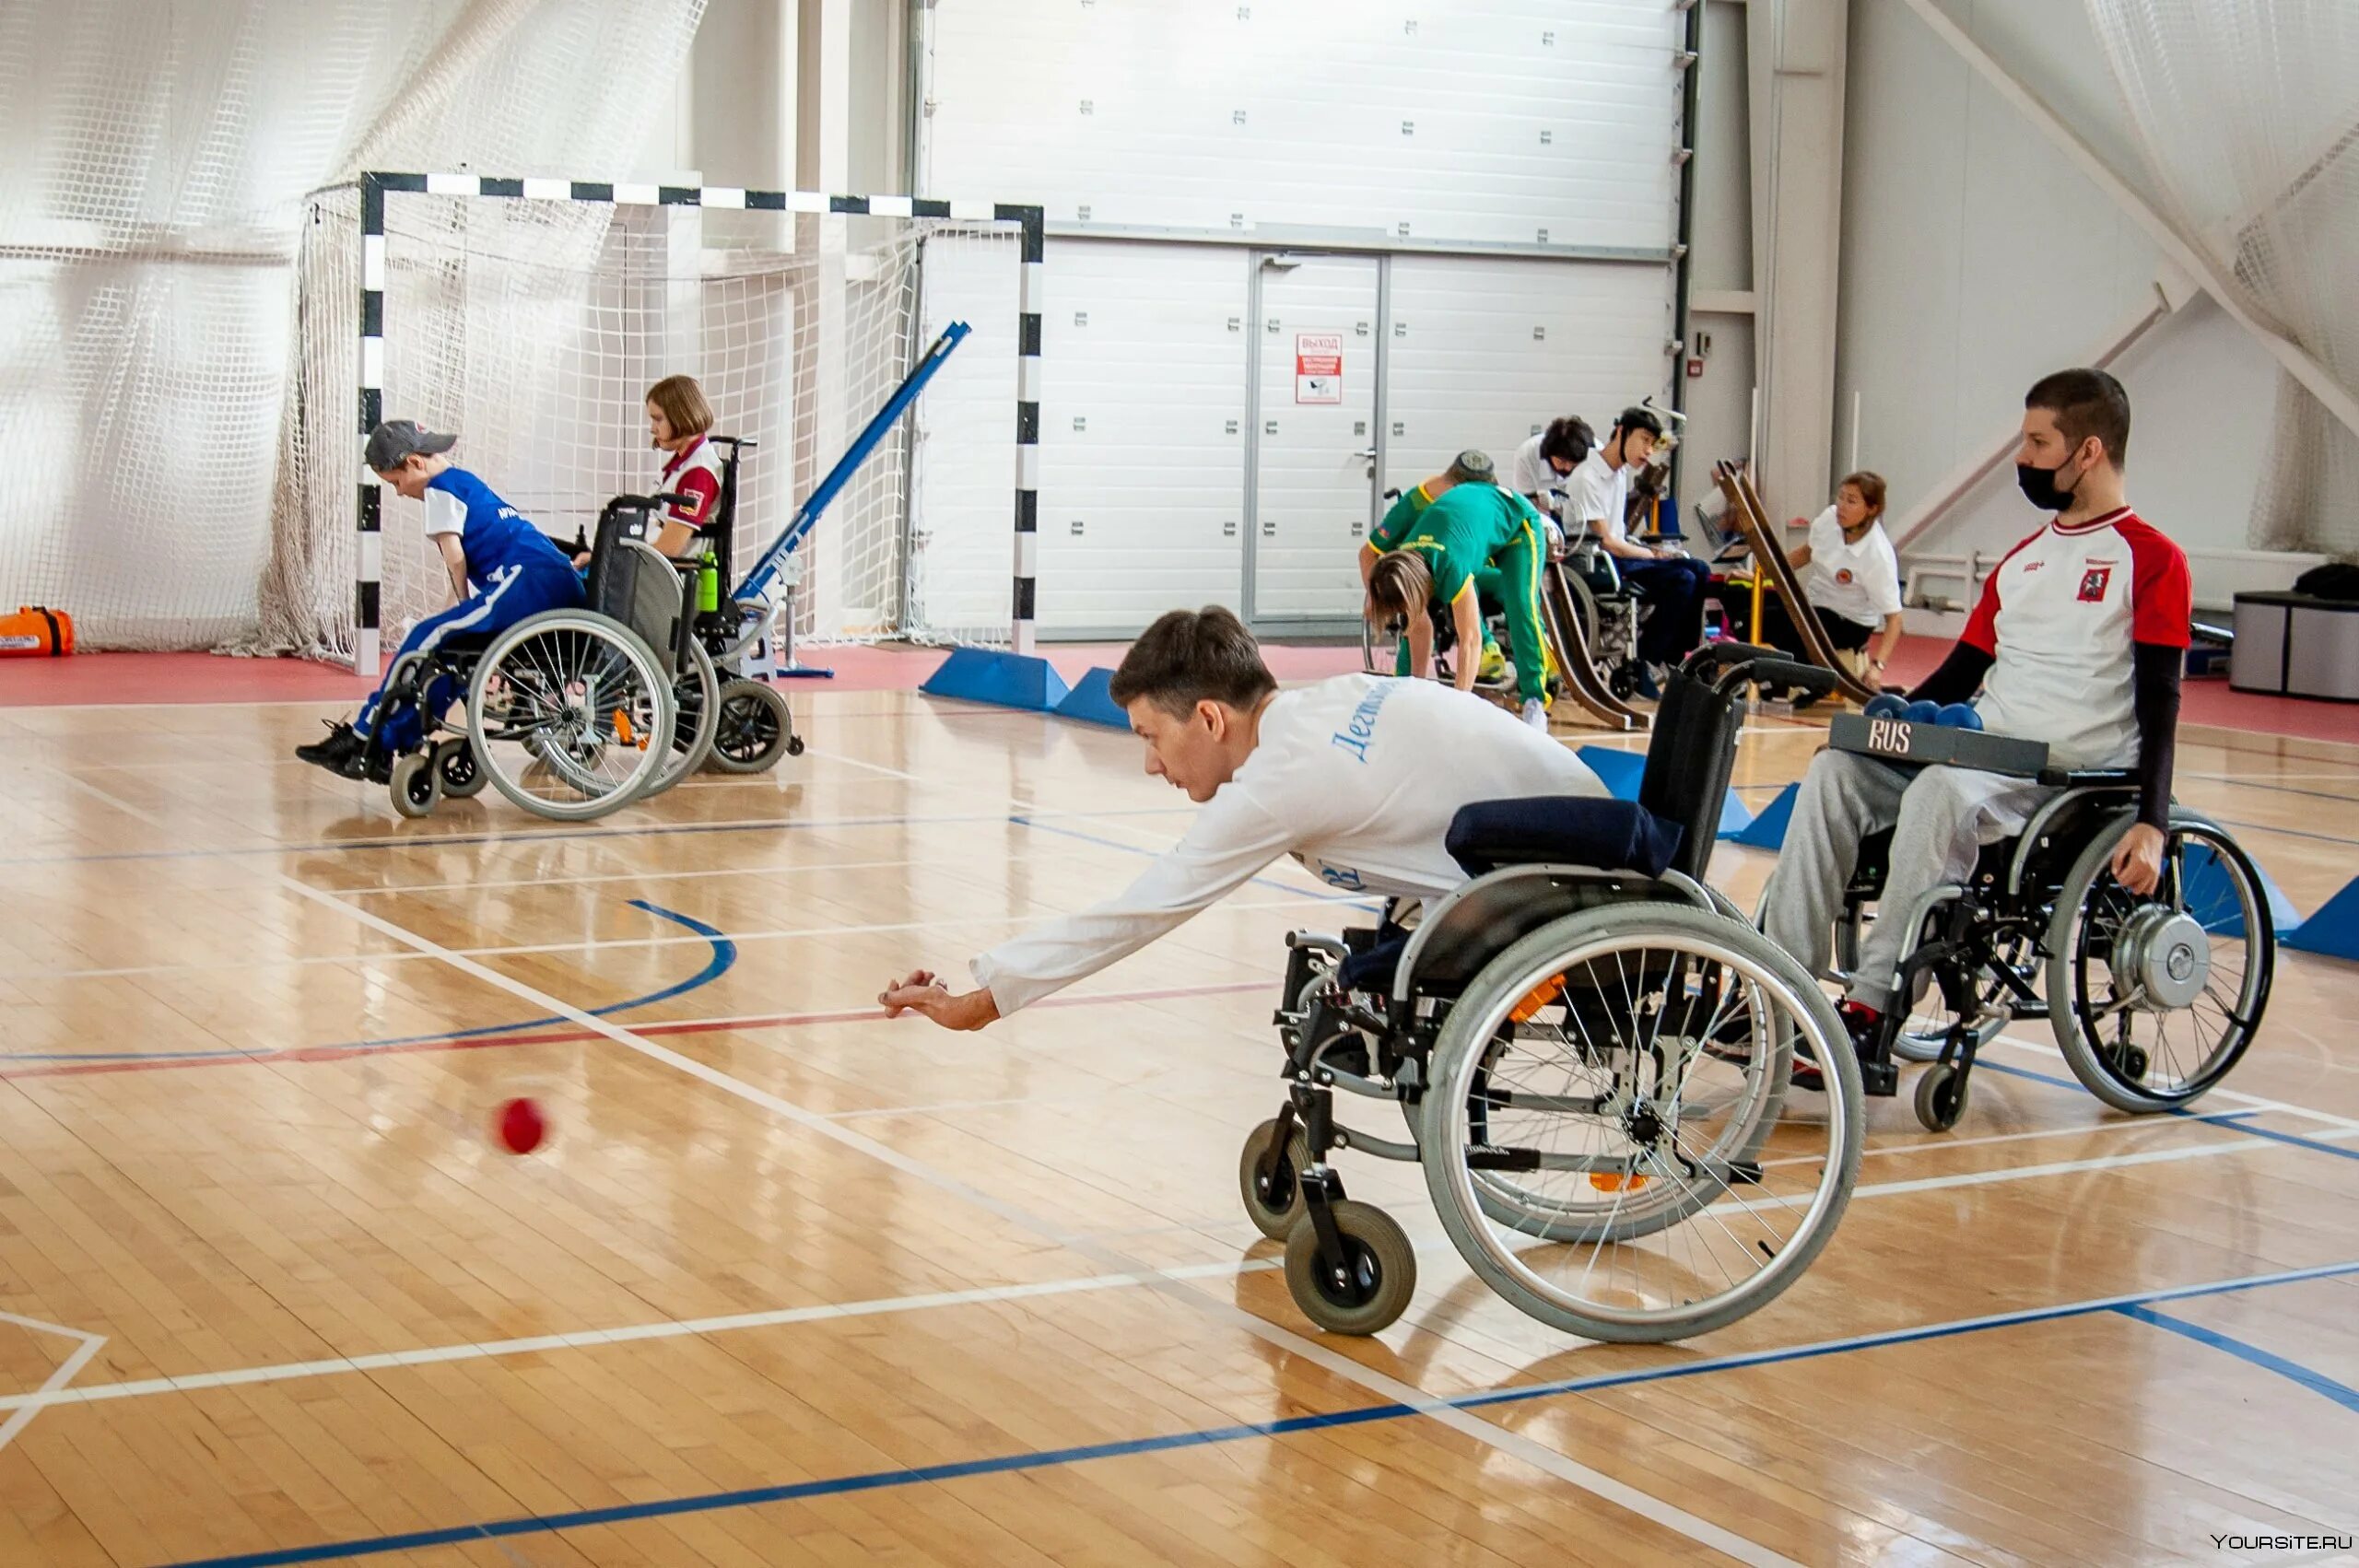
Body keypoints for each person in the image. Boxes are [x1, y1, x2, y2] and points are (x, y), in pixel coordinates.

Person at [1759, 368, 2189, 1086]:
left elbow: (2162, 702)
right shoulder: (2021, 562)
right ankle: (1781, 991)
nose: (2021, 457)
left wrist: (2153, 820)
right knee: (1836, 771)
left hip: (2065, 772)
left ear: (2086, 452)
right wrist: (1889, 722)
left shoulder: (2152, 560)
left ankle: (1870, 1013)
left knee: (1941, 793)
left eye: (2036, 442)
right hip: (1983, 748)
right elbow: (1960, 675)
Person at [877, 607, 1606, 1030]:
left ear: (1207, 717)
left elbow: (1146, 908)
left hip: (1567, 882)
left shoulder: (1282, 777)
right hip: (1575, 840)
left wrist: (982, 1000)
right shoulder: (1327, 701)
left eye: (1149, 738)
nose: (1151, 765)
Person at [296, 421, 587, 780]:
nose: (400, 493)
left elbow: (454, 558)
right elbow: (459, 565)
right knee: (448, 649)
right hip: (555, 581)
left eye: (396, 483)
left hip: (530, 581)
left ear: (416, 463)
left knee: (425, 636)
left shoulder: (440, 490)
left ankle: (363, 736)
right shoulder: (464, 482)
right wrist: (456, 610)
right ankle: (389, 738)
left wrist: (462, 605)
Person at [1361, 451, 1555, 730]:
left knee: (1521, 606)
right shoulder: (1403, 561)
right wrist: (1410, 697)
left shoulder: (1450, 566)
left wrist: (1458, 709)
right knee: (1415, 625)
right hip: (1471, 533)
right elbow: (1418, 627)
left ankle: (1534, 700)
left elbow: (1471, 639)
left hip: (1516, 524)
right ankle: (1402, 696)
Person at [1564, 405, 1712, 697]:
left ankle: (1679, 655)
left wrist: (1651, 550)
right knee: (1683, 579)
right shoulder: (1587, 477)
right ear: (1621, 432)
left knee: (1700, 569)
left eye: (1651, 444)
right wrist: (1653, 555)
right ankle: (1647, 657)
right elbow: (1607, 541)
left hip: (1620, 556)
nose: (1648, 451)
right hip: (1600, 564)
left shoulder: (1618, 476)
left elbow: (1620, 534)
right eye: (1644, 440)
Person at [1745, 471, 1905, 704]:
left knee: (1789, 629)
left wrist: (1877, 667)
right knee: (1746, 613)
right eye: (1840, 497)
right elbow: (1807, 552)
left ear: (1871, 509)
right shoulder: (1830, 519)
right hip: (1813, 604)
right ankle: (1787, 679)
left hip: (1849, 620)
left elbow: (1895, 619)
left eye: (1851, 501)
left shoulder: (1878, 555)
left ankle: (1809, 682)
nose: (1841, 506)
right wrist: (1761, 573)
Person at [575, 375, 724, 567]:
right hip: (653, 572)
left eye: (658, 419)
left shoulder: (698, 473)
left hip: (666, 581)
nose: (653, 429)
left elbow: (670, 549)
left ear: (681, 416)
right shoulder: (684, 464)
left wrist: (608, 559)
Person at [1510, 416, 1595, 534]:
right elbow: (1526, 504)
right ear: (1548, 453)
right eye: (1562, 461)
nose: (1568, 468)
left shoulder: (1595, 454)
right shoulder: (1526, 455)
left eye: (1574, 464)